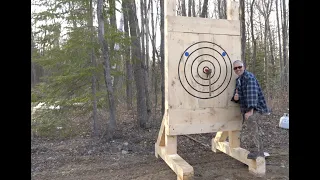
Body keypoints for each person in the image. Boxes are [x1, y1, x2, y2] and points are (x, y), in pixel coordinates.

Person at [231, 60, 270, 160]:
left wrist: (250, 110)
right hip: (249, 108)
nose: (238, 69)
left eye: (239, 67)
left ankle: (257, 154)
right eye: (235, 68)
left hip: (256, 108)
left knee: (252, 127)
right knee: (255, 129)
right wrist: (236, 98)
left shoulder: (249, 77)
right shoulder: (239, 80)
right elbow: (240, 96)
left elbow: (252, 94)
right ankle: (259, 153)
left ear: (244, 67)